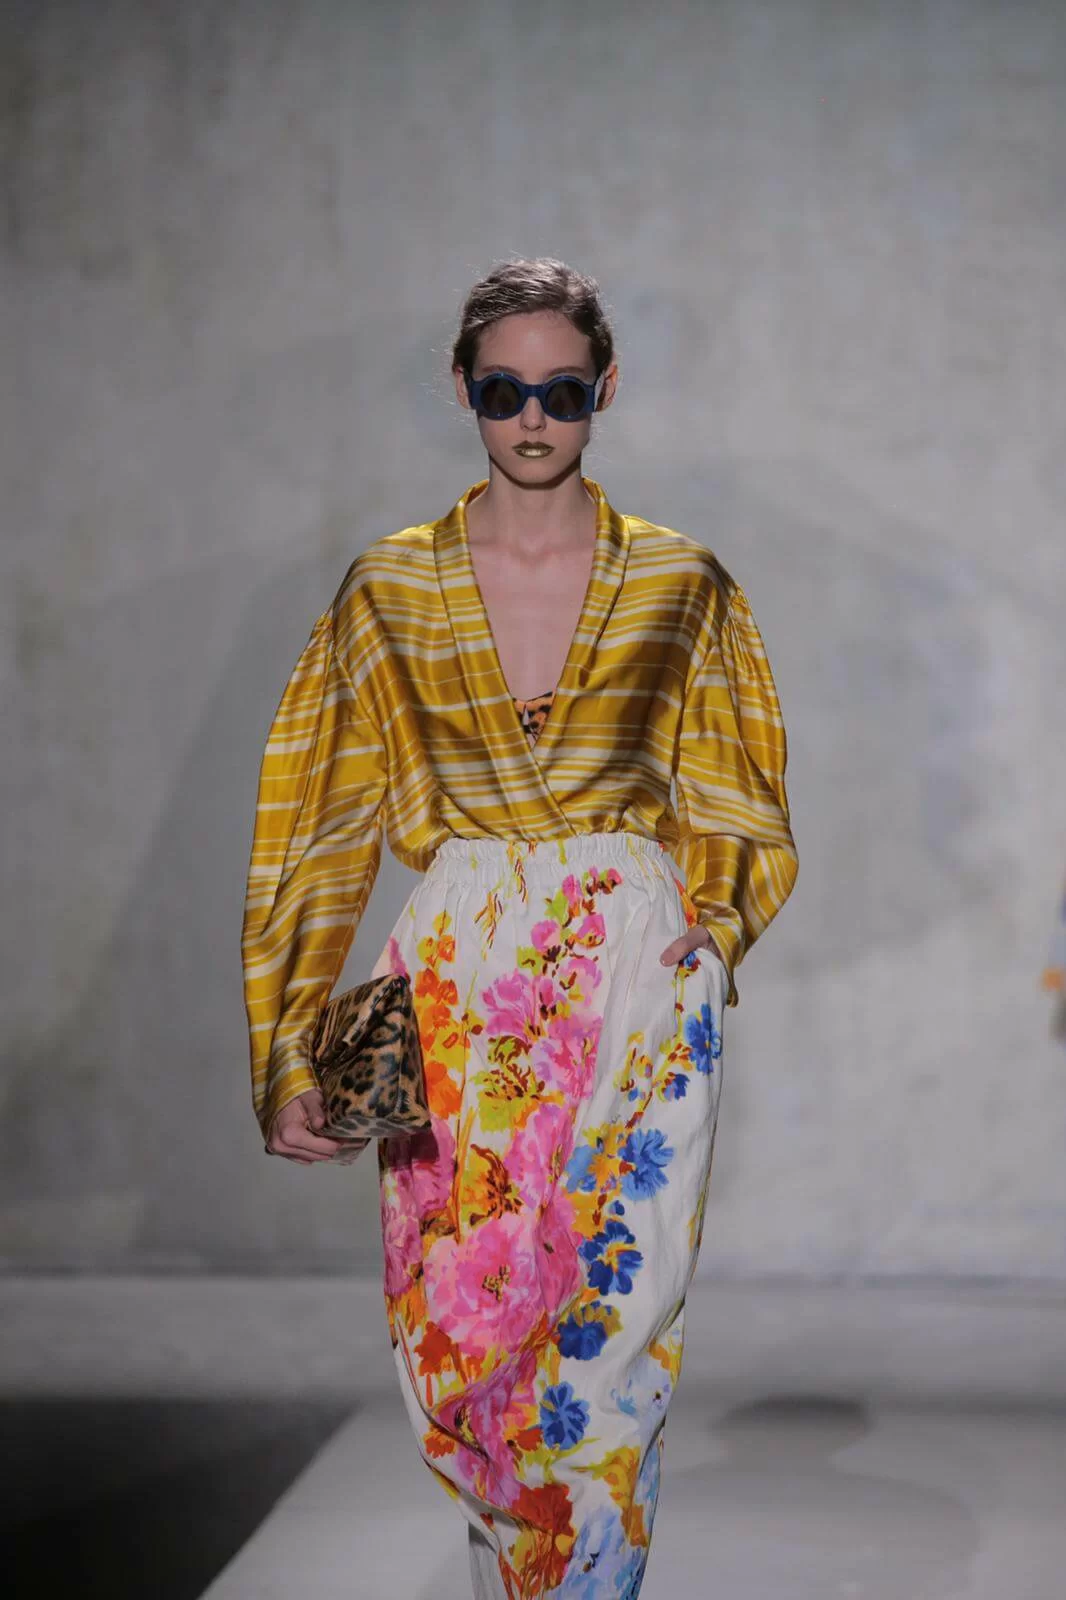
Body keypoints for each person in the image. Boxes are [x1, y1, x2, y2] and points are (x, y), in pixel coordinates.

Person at [240, 257, 799, 1599]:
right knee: (457, 1333)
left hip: (636, 972)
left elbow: (737, 783)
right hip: (457, 973)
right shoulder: (387, 588)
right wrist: (288, 1042)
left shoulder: (681, 582)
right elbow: (318, 822)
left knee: (607, 1334)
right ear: (461, 391)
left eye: (562, 391)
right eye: (504, 392)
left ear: (605, 390)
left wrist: (720, 923)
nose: (533, 418)